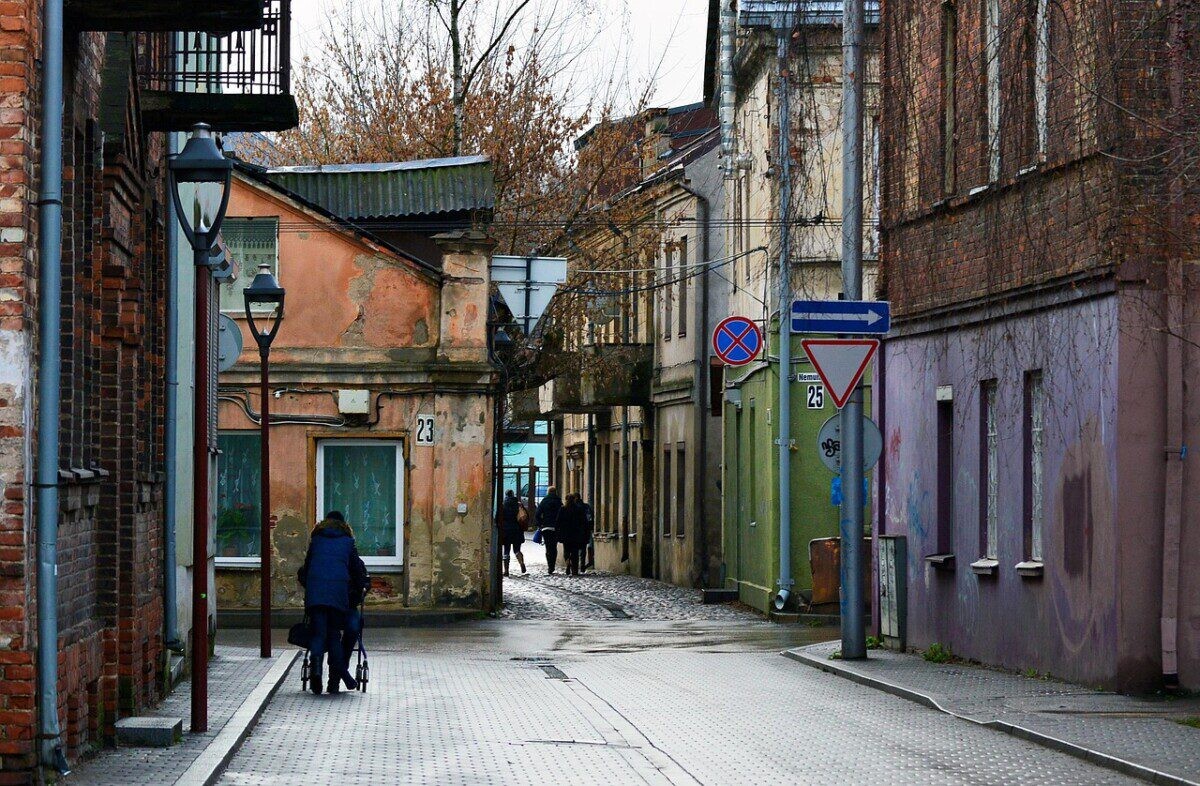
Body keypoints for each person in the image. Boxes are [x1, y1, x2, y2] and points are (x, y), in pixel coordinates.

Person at [298, 511, 366, 695]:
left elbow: (306, 568)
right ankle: (342, 676)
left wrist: (310, 585)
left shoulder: (316, 541)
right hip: (337, 594)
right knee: (334, 634)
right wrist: (358, 591)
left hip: (316, 594)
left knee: (319, 634)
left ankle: (316, 672)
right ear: (344, 526)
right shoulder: (347, 543)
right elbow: (358, 572)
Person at [338, 549, 370, 690]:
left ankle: (336, 674)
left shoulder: (351, 555)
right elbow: (364, 580)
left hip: (340, 605)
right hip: (345, 606)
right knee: (352, 628)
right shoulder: (350, 552)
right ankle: (340, 671)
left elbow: (364, 579)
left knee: (351, 628)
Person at [557, 493, 587, 576]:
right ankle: (574, 571)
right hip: (576, 534)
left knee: (566, 551)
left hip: (566, 534)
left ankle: (567, 563)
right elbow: (584, 522)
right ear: (574, 500)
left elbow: (558, 521)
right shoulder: (579, 509)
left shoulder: (563, 509)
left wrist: (558, 532)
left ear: (566, 500)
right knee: (575, 552)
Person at [536, 486, 563, 574]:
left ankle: (549, 566)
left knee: (548, 547)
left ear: (548, 492)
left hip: (546, 527)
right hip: (556, 528)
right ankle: (553, 565)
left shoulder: (544, 501)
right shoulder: (559, 501)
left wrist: (541, 524)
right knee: (554, 547)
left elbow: (537, 514)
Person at [500, 490, 527, 576]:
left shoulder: (503, 505)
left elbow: (498, 518)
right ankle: (521, 563)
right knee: (517, 549)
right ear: (513, 495)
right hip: (517, 530)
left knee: (506, 550)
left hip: (506, 531)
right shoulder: (518, 504)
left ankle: (506, 570)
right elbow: (526, 516)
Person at [580, 497, 595, 573]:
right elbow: (590, 518)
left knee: (573, 549)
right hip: (585, 531)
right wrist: (590, 528)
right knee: (583, 549)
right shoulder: (586, 507)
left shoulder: (571, 507)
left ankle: (573, 565)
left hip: (574, 531)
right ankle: (582, 565)